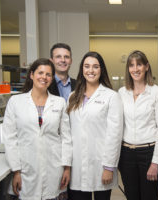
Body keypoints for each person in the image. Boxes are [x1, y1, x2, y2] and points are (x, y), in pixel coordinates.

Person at [3, 58, 72, 200]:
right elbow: (10, 138)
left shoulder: (59, 103)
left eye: (48, 74)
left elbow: (66, 138)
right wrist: (16, 171)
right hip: (25, 169)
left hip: (54, 168)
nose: (44, 77)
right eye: (40, 73)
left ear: (52, 78)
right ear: (32, 75)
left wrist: (66, 167)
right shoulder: (16, 102)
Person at [67, 51, 123, 200]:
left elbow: (115, 135)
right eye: (87, 66)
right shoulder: (72, 96)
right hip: (77, 166)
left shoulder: (111, 96)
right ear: (82, 69)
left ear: (101, 70)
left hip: (100, 165)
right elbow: (68, 133)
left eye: (95, 67)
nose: (91, 70)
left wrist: (109, 167)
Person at [118, 50, 158, 200]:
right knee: (131, 196)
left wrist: (155, 162)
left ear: (146, 67)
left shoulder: (157, 92)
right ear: (128, 69)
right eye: (131, 65)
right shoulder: (121, 93)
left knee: (149, 196)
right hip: (126, 154)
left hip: (148, 153)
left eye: (139, 64)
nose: (135, 69)